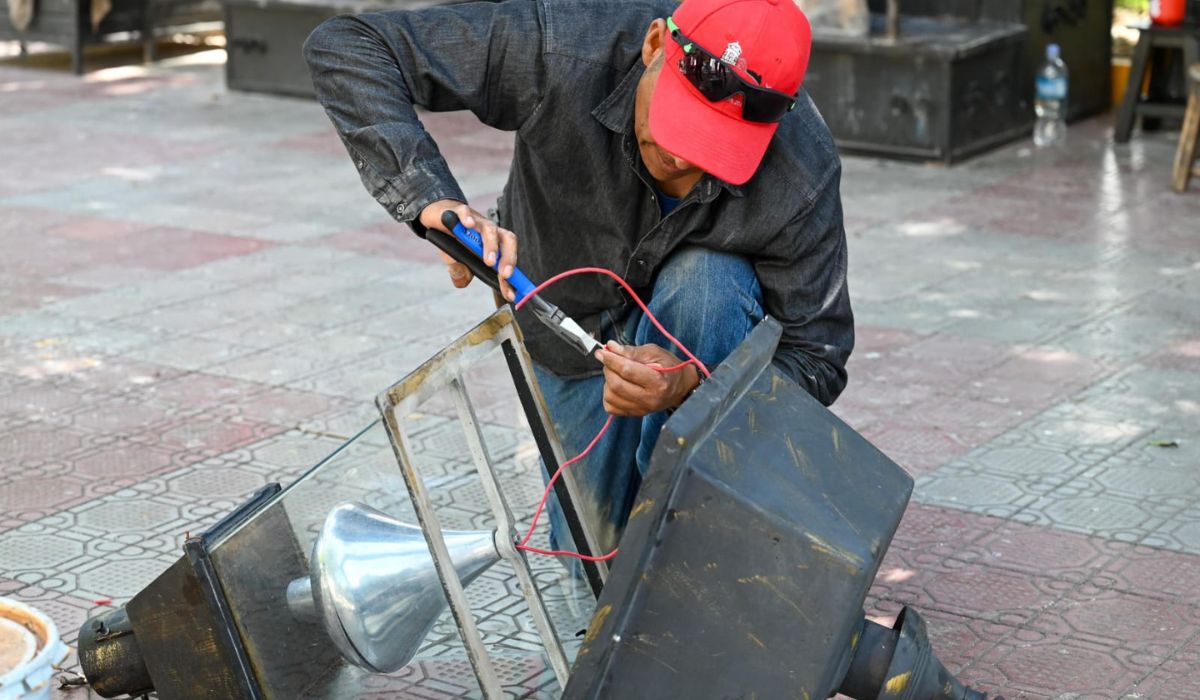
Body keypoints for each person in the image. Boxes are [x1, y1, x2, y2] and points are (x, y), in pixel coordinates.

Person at [304, 0, 854, 557]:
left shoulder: (800, 173)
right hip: (562, 323)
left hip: (696, 345)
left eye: (713, 147)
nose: (683, 160)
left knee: (707, 279)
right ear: (655, 45)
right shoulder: (563, 45)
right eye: (676, 125)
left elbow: (819, 357)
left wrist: (694, 385)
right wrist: (432, 198)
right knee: (593, 560)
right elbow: (349, 45)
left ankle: (687, 532)